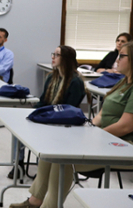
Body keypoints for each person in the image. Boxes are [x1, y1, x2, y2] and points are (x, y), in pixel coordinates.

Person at [10, 41, 133, 208]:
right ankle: (35, 201)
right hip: (109, 140)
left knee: (63, 162)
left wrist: (94, 137)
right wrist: (89, 127)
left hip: (131, 147)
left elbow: (125, 126)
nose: (117, 59)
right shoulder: (126, 81)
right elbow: (102, 115)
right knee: (52, 151)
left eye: (121, 55)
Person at [10, 45, 85, 179]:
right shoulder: (52, 77)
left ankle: (46, 167)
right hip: (49, 118)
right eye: (53, 54)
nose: (52, 57)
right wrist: (32, 114)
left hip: (63, 123)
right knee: (18, 126)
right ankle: (19, 163)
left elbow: (69, 111)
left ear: (66, 59)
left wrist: (45, 117)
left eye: (57, 55)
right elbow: (43, 101)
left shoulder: (75, 82)